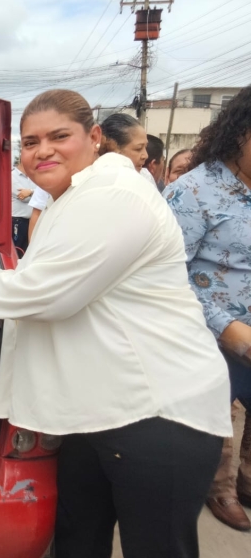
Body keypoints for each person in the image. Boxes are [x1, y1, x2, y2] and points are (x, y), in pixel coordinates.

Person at [0, 89, 231, 558]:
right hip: (97, 411)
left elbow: (50, 294)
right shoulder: (72, 201)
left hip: (158, 412)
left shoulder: (115, 195)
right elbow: (43, 278)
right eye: (30, 141)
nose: (42, 151)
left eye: (58, 136)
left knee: (158, 553)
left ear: (95, 137)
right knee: (78, 545)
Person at [164, 84, 251, 532]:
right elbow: (163, 272)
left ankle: (246, 478)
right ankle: (221, 490)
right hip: (212, 334)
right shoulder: (195, 192)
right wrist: (226, 327)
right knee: (219, 415)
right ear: (240, 133)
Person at [99, 113, 152, 184]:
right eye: (138, 149)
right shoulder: (96, 181)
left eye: (145, 147)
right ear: (113, 148)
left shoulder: (145, 179)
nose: (145, 156)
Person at [11, 161, 39, 256]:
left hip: (32, 222)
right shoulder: (12, 176)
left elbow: (43, 193)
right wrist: (36, 193)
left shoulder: (34, 176)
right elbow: (24, 198)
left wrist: (30, 191)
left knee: (28, 252)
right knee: (17, 252)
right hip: (17, 222)